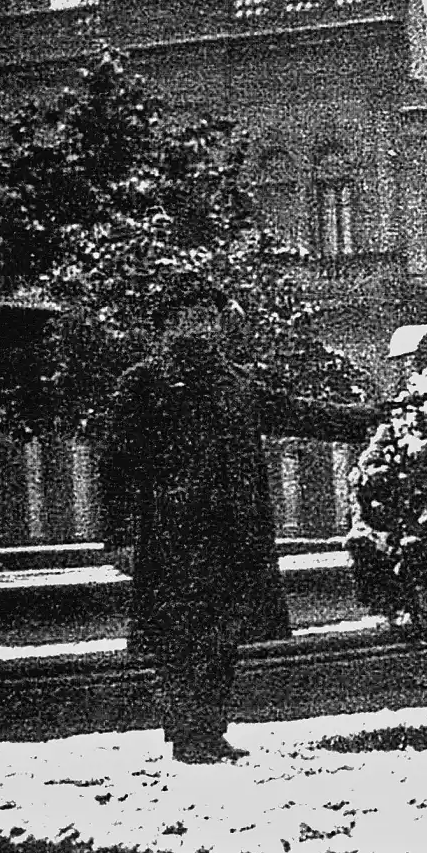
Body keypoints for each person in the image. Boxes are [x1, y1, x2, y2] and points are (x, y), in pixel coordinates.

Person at [99, 279, 384, 764]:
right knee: (183, 637)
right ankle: (191, 734)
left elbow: (300, 413)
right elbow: (117, 465)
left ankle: (206, 730)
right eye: (188, 317)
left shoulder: (234, 382)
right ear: (166, 327)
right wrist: (121, 535)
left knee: (224, 637)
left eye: (208, 317)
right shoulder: (143, 383)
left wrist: (371, 417)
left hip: (234, 533)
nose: (200, 328)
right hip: (176, 534)